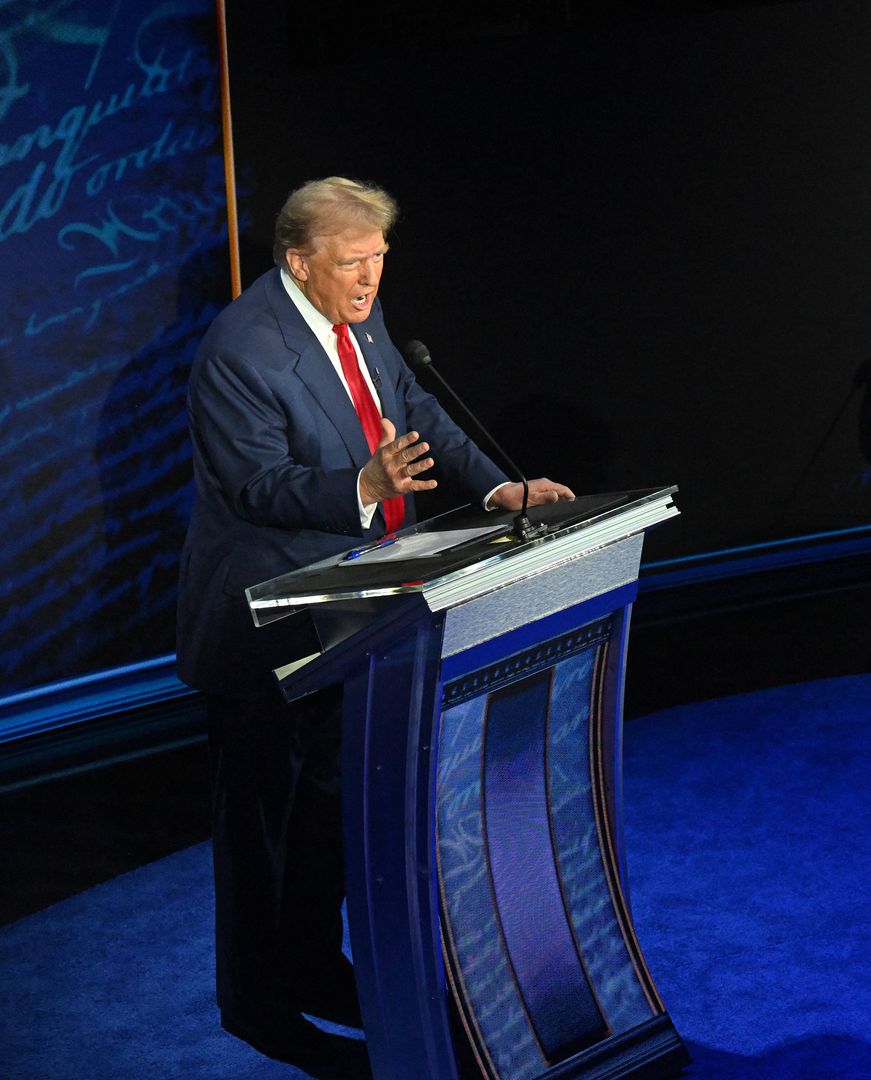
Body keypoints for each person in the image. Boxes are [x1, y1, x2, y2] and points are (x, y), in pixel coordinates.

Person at [176, 176, 573, 1067]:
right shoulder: (240, 350)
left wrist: (499, 486)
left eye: (380, 260)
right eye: (354, 263)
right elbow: (257, 486)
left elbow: (412, 408)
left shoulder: (360, 315)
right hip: (265, 629)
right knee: (262, 833)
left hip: (361, 611)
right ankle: (257, 1005)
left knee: (329, 814)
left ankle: (317, 967)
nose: (370, 279)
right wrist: (363, 486)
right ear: (299, 262)